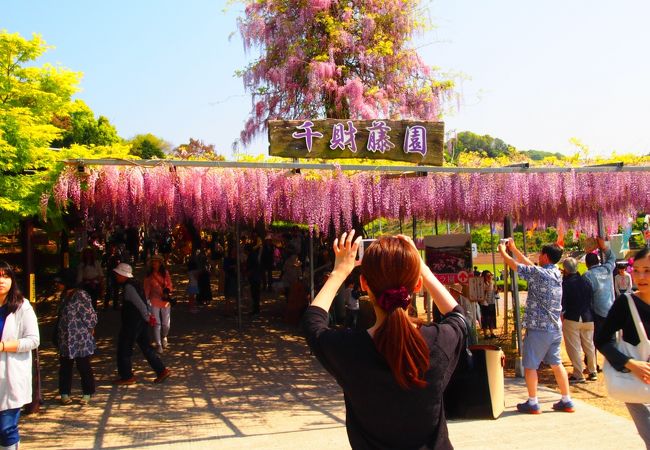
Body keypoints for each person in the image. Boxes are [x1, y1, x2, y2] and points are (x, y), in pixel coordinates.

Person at [303, 231, 466, 449]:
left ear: (363, 284)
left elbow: (313, 323)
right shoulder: (439, 341)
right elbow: (458, 316)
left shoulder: (349, 350)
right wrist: (424, 270)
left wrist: (339, 272)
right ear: (417, 285)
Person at [498, 238, 574, 413]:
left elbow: (516, 266)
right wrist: (515, 249)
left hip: (539, 328)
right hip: (555, 328)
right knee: (556, 363)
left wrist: (503, 251)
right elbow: (530, 266)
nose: (538, 257)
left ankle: (532, 402)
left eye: (540, 255)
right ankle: (567, 400)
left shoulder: (540, 274)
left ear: (545, 256)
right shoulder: (556, 273)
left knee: (530, 365)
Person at [596, 246, 650, 447]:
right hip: (637, 382)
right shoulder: (625, 304)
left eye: (647, 270)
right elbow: (602, 340)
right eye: (636, 270)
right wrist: (630, 364)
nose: (640, 276)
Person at [0, 261, 40, 450]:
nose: (2, 280)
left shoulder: (22, 307)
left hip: (11, 375)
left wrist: (4, 346)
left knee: (6, 428)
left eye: (6, 276)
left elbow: (33, 340)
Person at [113, 263, 171, 385]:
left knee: (124, 348)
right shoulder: (136, 283)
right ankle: (161, 370)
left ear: (123, 275)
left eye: (118, 274)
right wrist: (148, 316)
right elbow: (145, 301)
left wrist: (147, 315)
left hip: (132, 322)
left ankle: (126, 375)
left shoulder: (128, 287)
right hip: (140, 322)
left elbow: (140, 303)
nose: (116, 276)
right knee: (146, 347)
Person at [54, 269, 97, 405]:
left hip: (80, 337)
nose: (57, 285)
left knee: (83, 366)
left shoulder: (81, 295)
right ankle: (64, 393)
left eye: (59, 282)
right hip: (65, 337)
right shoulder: (64, 296)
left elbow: (90, 315)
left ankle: (87, 392)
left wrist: (90, 329)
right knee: (65, 366)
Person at [560, 257, 597, 383]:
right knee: (589, 345)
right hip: (588, 317)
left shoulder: (565, 284)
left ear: (565, 269)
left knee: (574, 347)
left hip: (572, 318)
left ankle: (578, 373)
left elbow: (563, 303)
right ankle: (592, 371)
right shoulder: (587, 281)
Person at [144, 255, 173, 354]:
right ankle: (159, 344)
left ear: (160, 263)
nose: (154, 263)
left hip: (165, 300)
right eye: (153, 262)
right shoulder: (149, 276)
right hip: (154, 300)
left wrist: (167, 290)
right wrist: (146, 301)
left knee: (166, 324)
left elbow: (169, 285)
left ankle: (164, 336)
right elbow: (146, 290)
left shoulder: (165, 273)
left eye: (156, 261)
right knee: (157, 324)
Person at [479, 270, 497, 339]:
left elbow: (493, 291)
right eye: (488, 276)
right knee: (485, 318)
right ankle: (485, 334)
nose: (489, 277)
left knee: (492, 318)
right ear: (484, 276)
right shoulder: (482, 284)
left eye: (490, 275)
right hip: (485, 303)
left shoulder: (491, 282)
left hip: (491, 302)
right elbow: (485, 291)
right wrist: (490, 284)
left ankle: (492, 333)